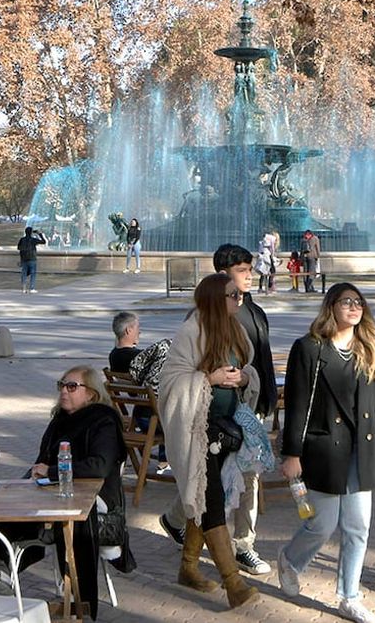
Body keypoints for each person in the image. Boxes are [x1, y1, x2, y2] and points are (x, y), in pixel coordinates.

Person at [277, 283, 375, 623]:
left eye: (359, 302)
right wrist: (292, 453)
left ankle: (349, 596)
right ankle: (290, 560)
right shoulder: (310, 348)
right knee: (322, 524)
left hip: (364, 448)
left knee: (358, 527)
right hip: (324, 448)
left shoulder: (370, 347)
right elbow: (297, 404)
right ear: (331, 306)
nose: (354, 307)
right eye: (347, 302)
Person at [160, 244, 278, 576]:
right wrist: (208, 380)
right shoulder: (196, 323)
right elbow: (174, 377)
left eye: (250, 269)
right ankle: (205, 553)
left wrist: (251, 384)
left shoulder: (250, 313)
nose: (250, 276)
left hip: (243, 410)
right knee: (207, 485)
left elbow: (257, 361)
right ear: (222, 278)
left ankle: (243, 545)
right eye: (243, 270)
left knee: (246, 475)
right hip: (206, 421)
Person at [0, 366, 131, 620]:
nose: (64, 391)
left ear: (91, 394)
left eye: (72, 386)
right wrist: (37, 476)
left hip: (97, 500)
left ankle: (78, 601)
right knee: (0, 506)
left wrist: (50, 471)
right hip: (51, 493)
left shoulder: (102, 420)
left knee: (65, 518)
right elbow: (43, 461)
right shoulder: (60, 420)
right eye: (61, 385)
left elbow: (100, 466)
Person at [17, 226, 47, 293]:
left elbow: (19, 248)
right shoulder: (33, 240)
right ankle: (32, 288)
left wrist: (21, 258)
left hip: (24, 259)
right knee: (33, 273)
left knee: (24, 273)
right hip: (32, 258)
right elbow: (44, 242)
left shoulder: (22, 239)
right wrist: (39, 234)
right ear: (31, 233)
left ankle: (24, 288)